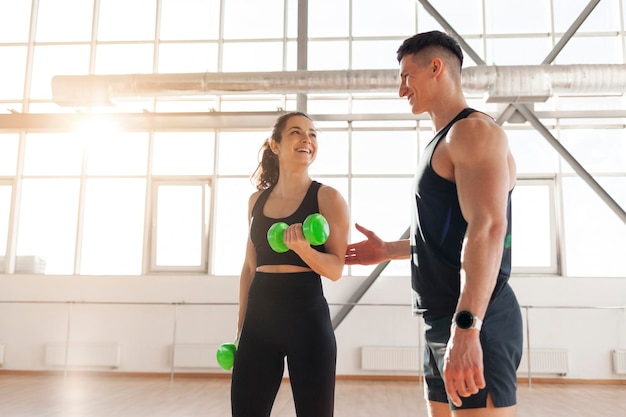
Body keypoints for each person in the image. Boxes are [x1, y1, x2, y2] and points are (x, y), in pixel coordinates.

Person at [345, 31, 523, 417]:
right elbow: (450, 235)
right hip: (440, 318)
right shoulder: (443, 140)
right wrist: (389, 249)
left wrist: (467, 327)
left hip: (476, 317)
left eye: (406, 76)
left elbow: (489, 228)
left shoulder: (472, 132)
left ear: (435, 68)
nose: (401, 89)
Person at [231, 111, 349, 417]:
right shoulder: (256, 201)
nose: (307, 139)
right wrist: (242, 326)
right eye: (296, 132)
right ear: (276, 145)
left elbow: (335, 269)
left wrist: (304, 250)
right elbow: (248, 268)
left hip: (307, 321)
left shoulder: (328, 198)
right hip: (259, 321)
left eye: (312, 134)